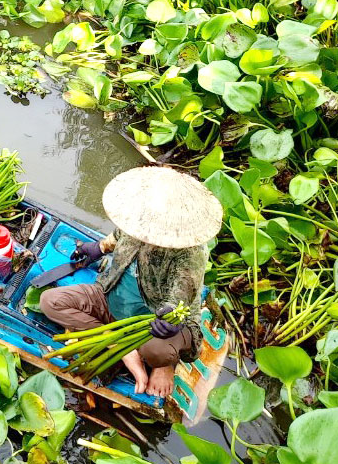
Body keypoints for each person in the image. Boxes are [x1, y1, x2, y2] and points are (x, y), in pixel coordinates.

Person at [37, 166, 221, 399]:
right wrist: (99, 248)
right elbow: (117, 236)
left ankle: (163, 366)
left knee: (157, 352)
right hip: (111, 296)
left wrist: (170, 317)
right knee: (50, 301)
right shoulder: (139, 218)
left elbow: (182, 292)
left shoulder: (190, 251)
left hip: (150, 322)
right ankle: (122, 348)